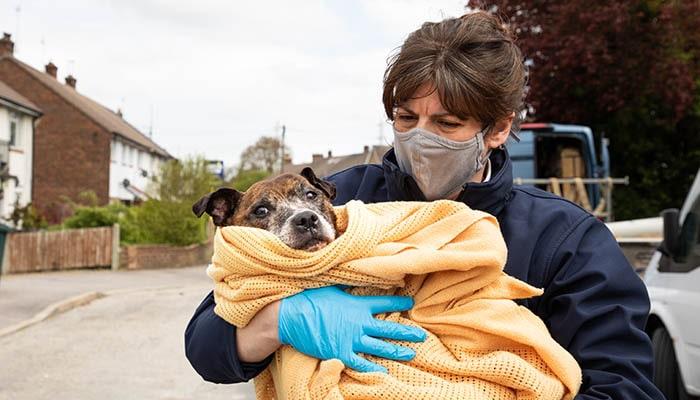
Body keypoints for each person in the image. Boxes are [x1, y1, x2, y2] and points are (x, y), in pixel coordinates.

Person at [185, 11, 664, 399]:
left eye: (448, 123)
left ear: (497, 129)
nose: (421, 138)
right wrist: (281, 321)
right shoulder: (342, 201)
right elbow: (207, 344)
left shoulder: (565, 240)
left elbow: (625, 385)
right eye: (406, 117)